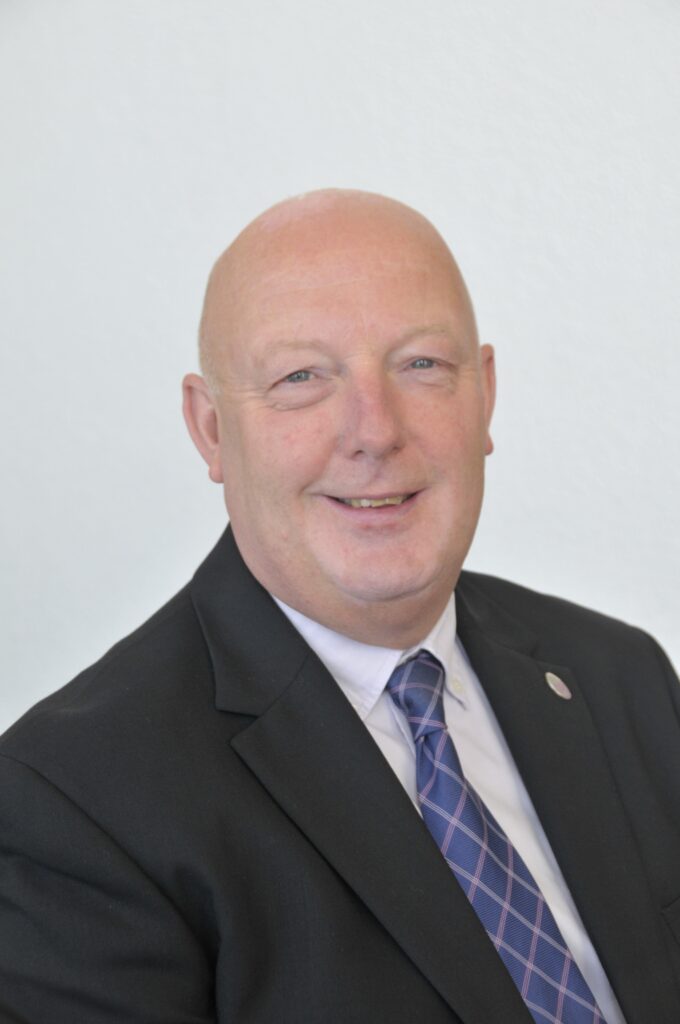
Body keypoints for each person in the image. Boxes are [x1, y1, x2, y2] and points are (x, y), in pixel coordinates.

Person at [1, 190, 679, 1024]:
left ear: (485, 395)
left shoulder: (623, 678)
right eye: (301, 378)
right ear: (210, 429)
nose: (375, 431)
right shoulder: (71, 807)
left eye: (421, 364)